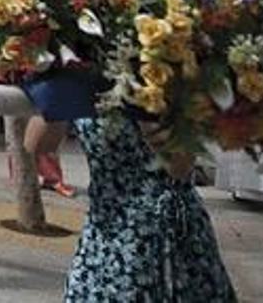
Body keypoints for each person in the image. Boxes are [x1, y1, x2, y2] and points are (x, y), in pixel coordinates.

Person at [64, 113, 236, 301]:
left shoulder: (164, 89)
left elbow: (180, 166)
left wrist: (146, 116)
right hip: (107, 233)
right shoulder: (80, 87)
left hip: (166, 233)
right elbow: (39, 143)